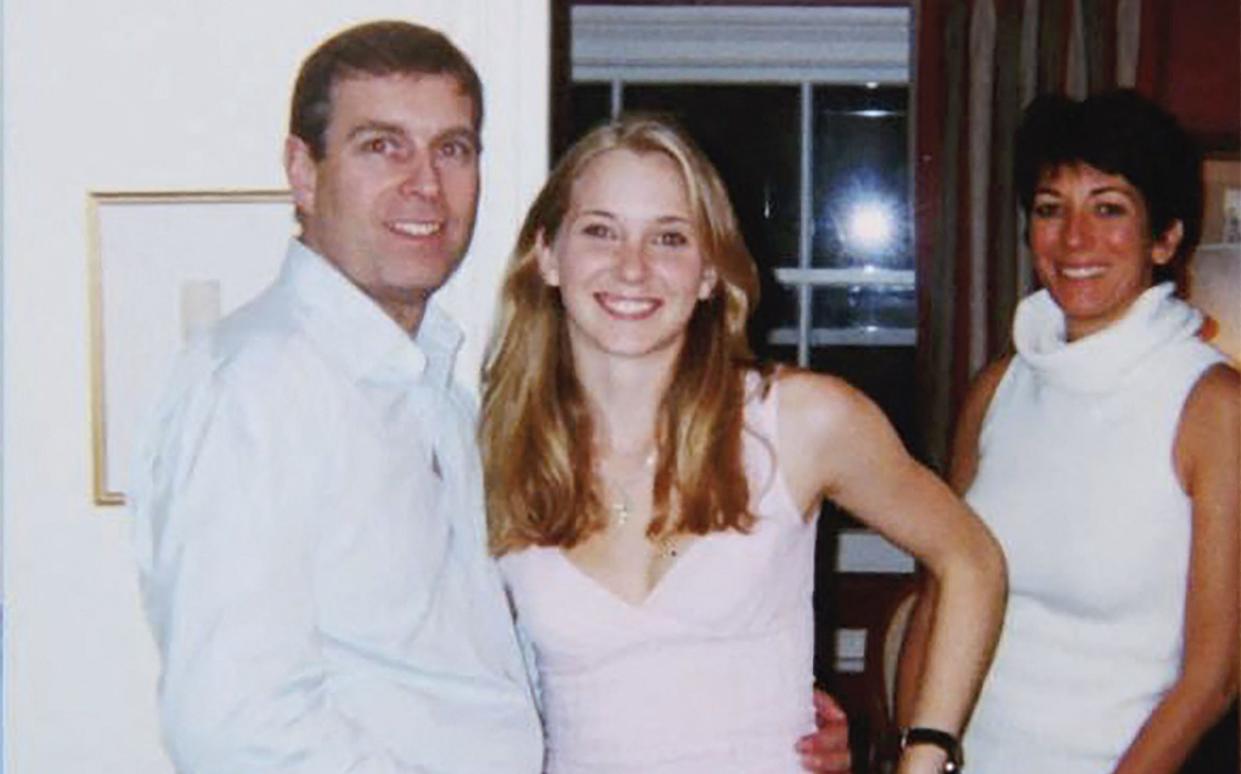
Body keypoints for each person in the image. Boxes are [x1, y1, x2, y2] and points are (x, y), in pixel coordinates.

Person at [131, 20, 852, 773]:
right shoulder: (257, 385)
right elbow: (234, 729)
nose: (424, 184)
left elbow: (483, 677)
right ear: (303, 171)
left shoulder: (442, 395)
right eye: (381, 145)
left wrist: (745, 708)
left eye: (452, 149)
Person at [480, 114, 1006, 773]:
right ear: (547, 256)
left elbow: (970, 559)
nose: (631, 266)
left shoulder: (798, 421)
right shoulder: (492, 452)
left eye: (669, 237)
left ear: (707, 273)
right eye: (599, 231)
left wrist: (925, 754)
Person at [896, 90, 1240, 773]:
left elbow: (1214, 674)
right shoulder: (996, 388)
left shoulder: (1213, 409)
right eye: (1051, 209)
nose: (1073, 239)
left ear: (1165, 238)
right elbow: (938, 600)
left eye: (1108, 208)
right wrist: (914, 756)